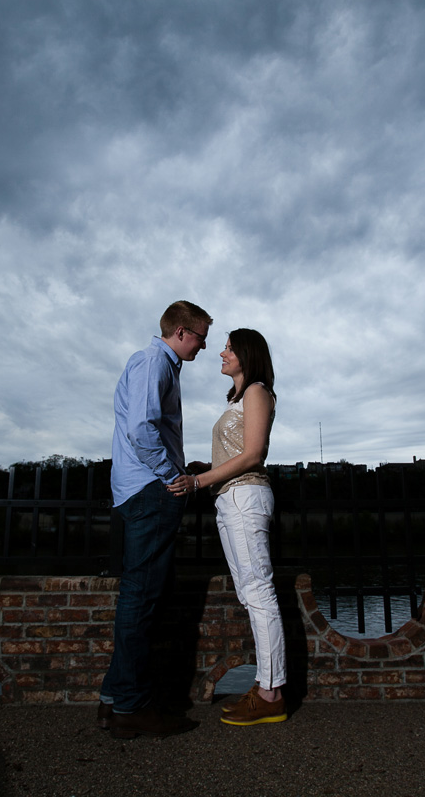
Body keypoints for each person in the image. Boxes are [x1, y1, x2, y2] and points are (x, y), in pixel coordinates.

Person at [98, 300, 211, 740]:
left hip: (139, 491)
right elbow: (142, 428)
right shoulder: (153, 362)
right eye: (201, 335)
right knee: (141, 601)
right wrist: (175, 478)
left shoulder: (152, 363)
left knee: (139, 597)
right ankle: (130, 708)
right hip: (150, 491)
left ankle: (113, 701)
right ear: (181, 331)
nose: (205, 345)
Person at [169, 328, 287, 726]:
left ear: (246, 355)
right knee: (250, 592)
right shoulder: (239, 396)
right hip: (230, 498)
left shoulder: (256, 389)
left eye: (230, 348)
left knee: (259, 593)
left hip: (245, 498)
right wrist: (210, 469)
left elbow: (254, 454)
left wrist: (198, 482)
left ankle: (271, 693)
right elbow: (239, 450)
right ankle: (266, 686)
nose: (221, 352)